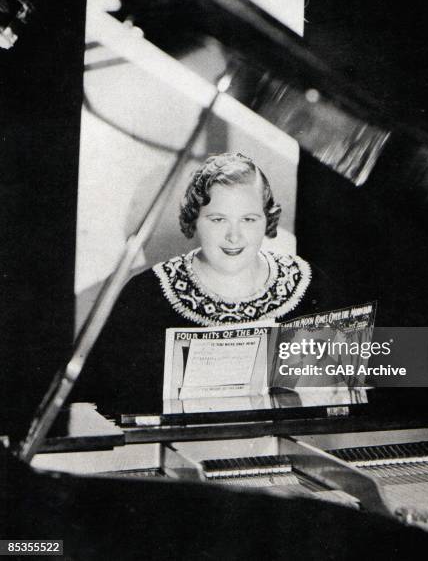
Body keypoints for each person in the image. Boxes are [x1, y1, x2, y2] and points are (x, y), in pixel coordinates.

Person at [77, 153, 334, 409]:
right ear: (194, 220)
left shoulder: (310, 285)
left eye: (248, 219)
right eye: (218, 219)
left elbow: (354, 388)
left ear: (267, 220)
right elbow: (107, 403)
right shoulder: (146, 295)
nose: (234, 236)